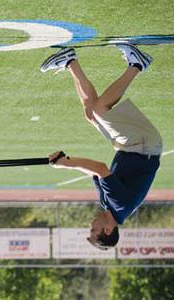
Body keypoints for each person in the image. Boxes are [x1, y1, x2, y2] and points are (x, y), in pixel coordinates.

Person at [41, 44, 163, 250]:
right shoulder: (119, 205)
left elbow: (95, 174)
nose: (91, 225)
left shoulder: (109, 207)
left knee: (91, 113)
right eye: (93, 230)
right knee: (100, 109)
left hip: (132, 146)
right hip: (142, 144)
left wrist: (65, 160)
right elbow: (100, 168)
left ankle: (70, 61)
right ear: (107, 230)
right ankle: (137, 64)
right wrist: (65, 165)